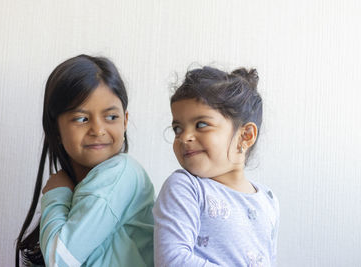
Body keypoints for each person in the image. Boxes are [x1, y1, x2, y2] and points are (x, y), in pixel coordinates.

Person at [16, 55, 155, 267]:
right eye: (82, 119)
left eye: (111, 117)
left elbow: (59, 260)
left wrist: (57, 195)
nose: (98, 130)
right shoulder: (85, 186)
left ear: (125, 120)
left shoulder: (120, 173)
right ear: (55, 129)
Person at [153, 66, 279, 266]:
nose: (185, 137)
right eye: (178, 128)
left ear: (245, 136)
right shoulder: (185, 187)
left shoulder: (268, 200)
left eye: (201, 124)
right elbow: (172, 259)